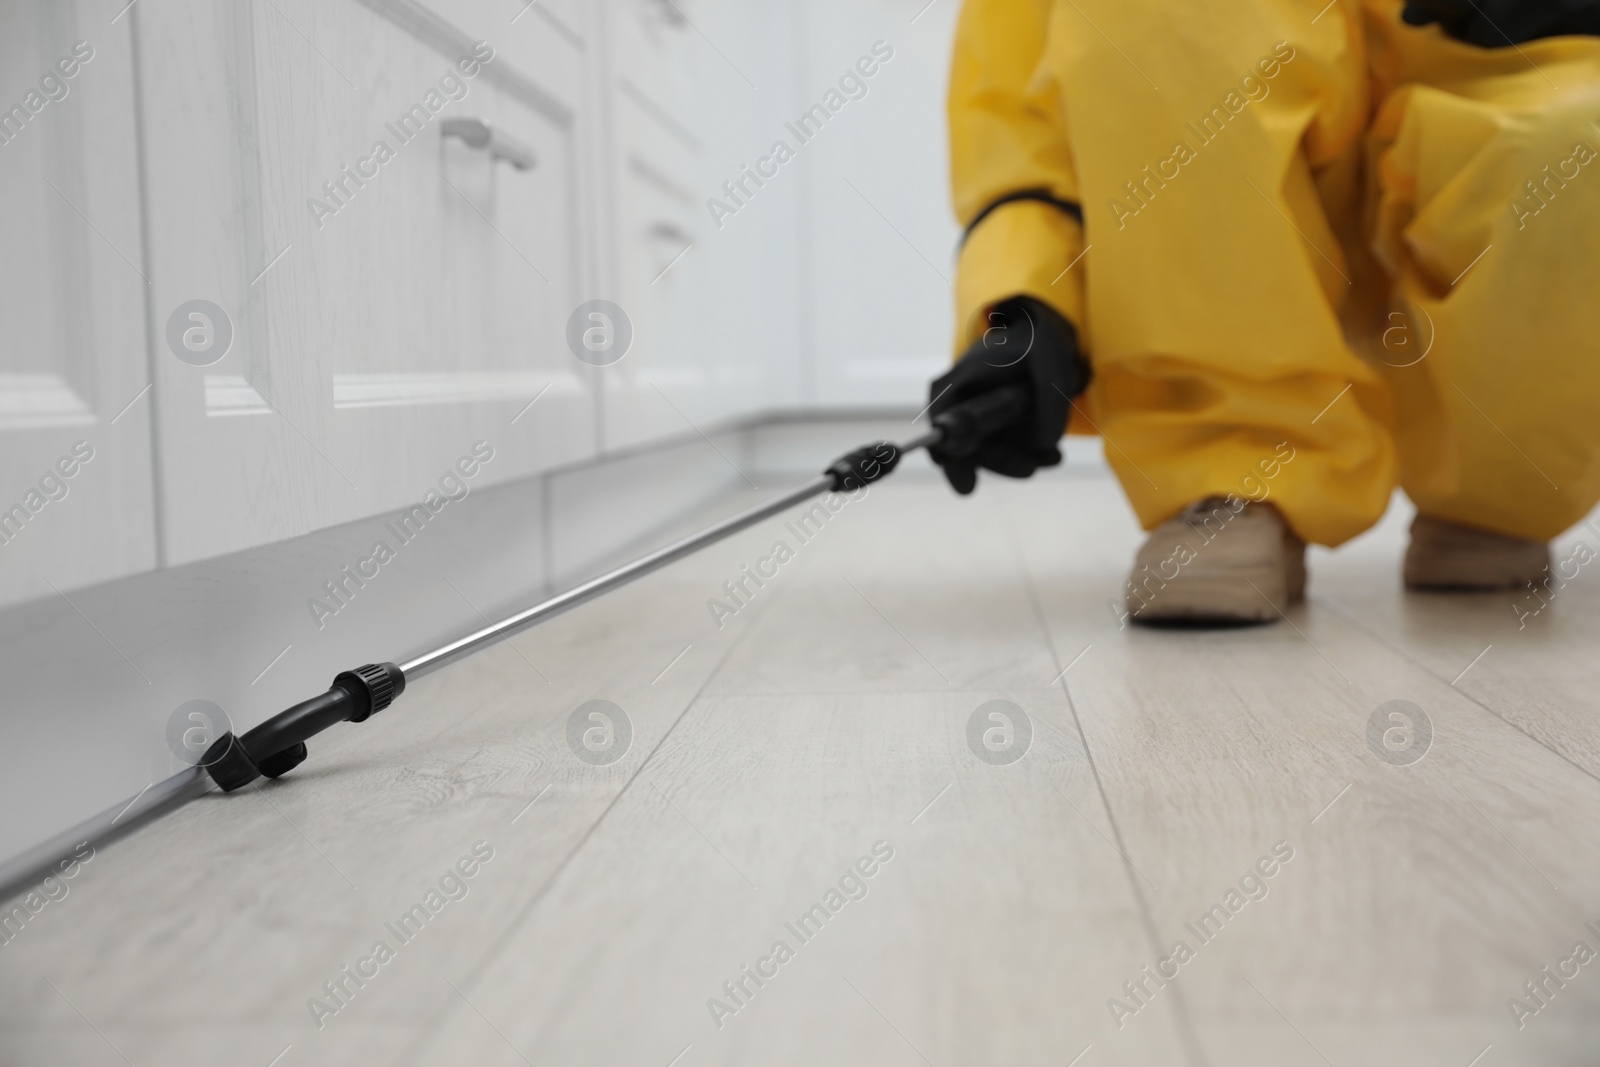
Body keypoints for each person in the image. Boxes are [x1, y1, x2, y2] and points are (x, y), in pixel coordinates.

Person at [927, 0, 1600, 625]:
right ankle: (1233, 468)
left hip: (1497, 89)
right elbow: (1023, 109)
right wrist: (1030, 296)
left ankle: (1496, 491)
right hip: (1232, 181)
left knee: (1581, 139)